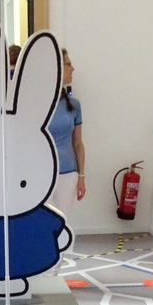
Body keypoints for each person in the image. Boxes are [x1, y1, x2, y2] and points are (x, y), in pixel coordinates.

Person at [47, 48, 86, 221]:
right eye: (68, 64)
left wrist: (81, 176)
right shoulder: (35, 104)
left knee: (63, 222)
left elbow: (78, 143)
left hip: (67, 173)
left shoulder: (74, 105)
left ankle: (64, 250)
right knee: (44, 223)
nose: (73, 69)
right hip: (42, 173)